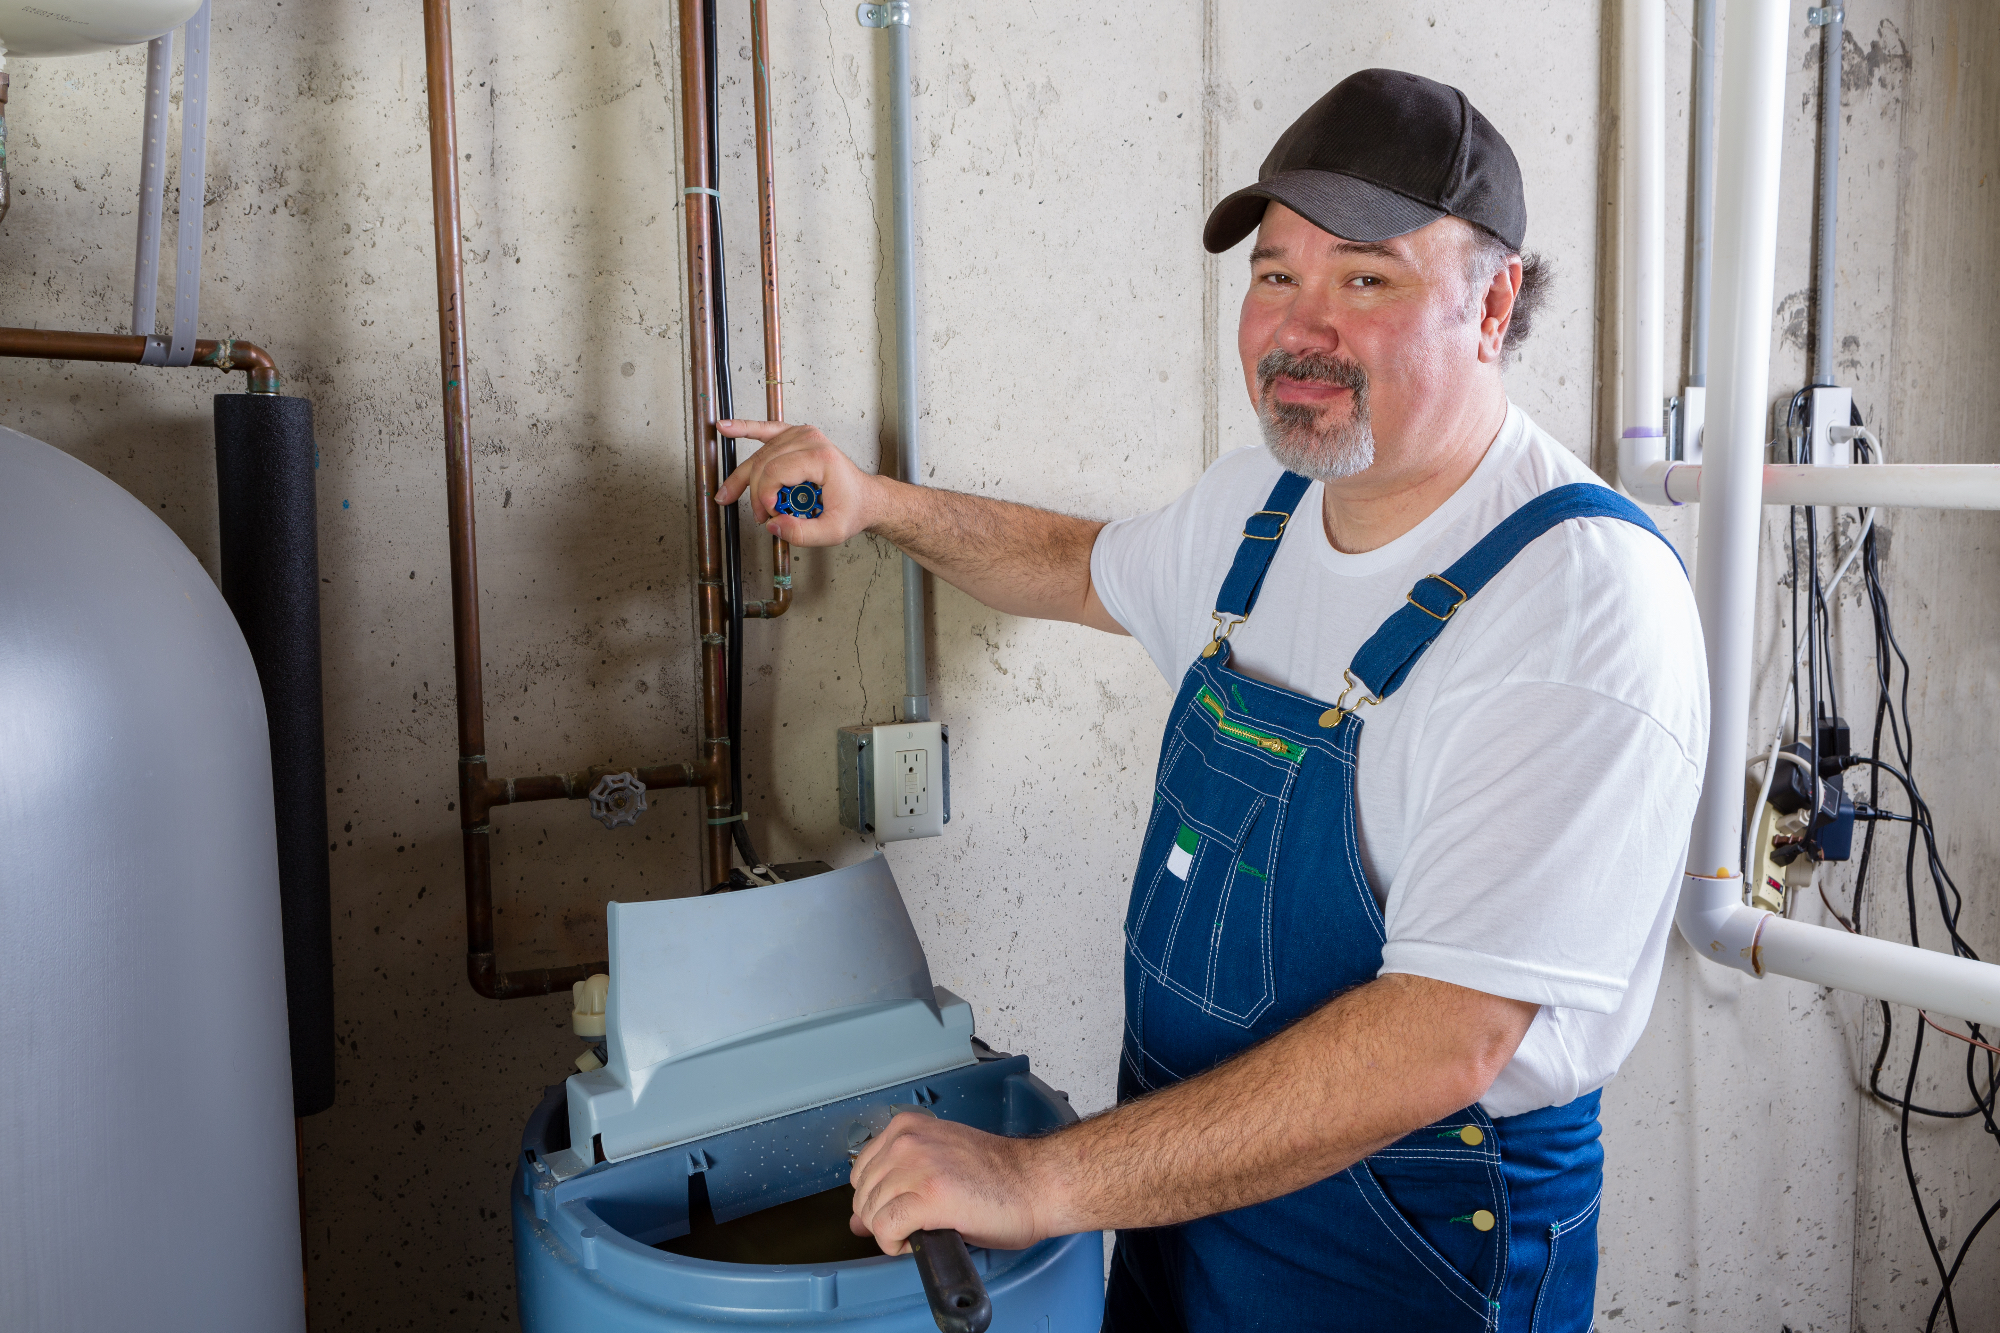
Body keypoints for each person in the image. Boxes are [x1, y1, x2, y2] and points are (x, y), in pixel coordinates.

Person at [718, 67, 1706, 1333]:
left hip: (1404, 1235)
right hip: (1182, 1188)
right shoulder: (1264, 503)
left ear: (1490, 300)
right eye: (1274, 274)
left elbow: (1439, 1038)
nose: (1300, 328)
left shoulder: (1577, 603)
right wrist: (878, 505)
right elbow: (1081, 566)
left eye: (1365, 279)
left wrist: (1039, 1179)